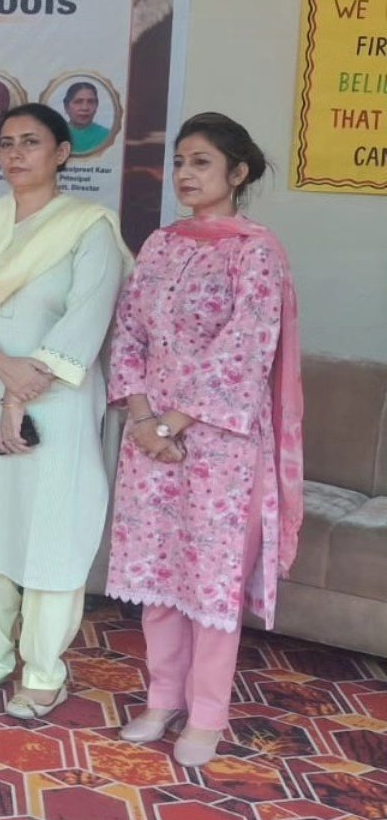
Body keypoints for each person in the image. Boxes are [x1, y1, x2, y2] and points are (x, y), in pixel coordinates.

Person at [106, 113, 303, 767]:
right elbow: (129, 332)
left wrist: (173, 424)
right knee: (158, 572)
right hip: (148, 438)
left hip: (219, 444)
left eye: (201, 163)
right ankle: (162, 699)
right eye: (179, 162)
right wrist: (142, 418)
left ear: (237, 173)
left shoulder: (256, 251)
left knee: (210, 582)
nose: (186, 175)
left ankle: (208, 715)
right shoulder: (161, 244)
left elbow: (243, 351)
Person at [0, 103, 131, 719]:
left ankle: (44, 670)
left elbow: (87, 317)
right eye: (6, 142)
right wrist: (1, 371)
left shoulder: (90, 226)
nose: (15, 153)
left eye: (31, 142)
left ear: (63, 153)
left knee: (50, 527)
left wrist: (21, 392)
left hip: (57, 398)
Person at [64, 81, 110, 154]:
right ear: (66, 107)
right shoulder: (55, 135)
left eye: (90, 102)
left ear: (96, 106)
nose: (85, 108)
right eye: (78, 102)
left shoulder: (107, 136)